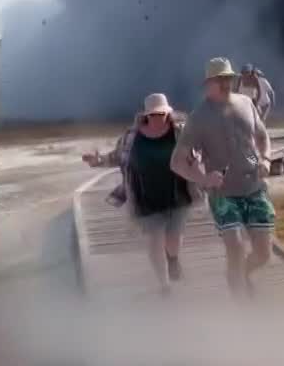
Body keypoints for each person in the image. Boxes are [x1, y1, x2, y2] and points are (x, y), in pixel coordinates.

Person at [169, 58, 275, 299]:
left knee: (264, 254)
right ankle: (239, 304)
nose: (226, 83)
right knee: (235, 247)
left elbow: (262, 136)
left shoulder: (247, 103)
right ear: (209, 83)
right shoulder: (199, 117)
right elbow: (177, 161)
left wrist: (266, 159)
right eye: (220, 79)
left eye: (229, 78)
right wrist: (203, 179)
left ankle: (243, 274)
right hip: (223, 193)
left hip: (254, 187)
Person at [116, 93, 193, 295]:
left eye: (162, 113)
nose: (159, 118)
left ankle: (173, 259)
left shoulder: (180, 132)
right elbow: (117, 156)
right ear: (146, 116)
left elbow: (196, 153)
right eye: (154, 114)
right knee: (154, 241)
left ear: (168, 113)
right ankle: (164, 284)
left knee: (173, 239)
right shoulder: (131, 137)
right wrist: (97, 160)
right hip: (145, 198)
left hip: (177, 195)